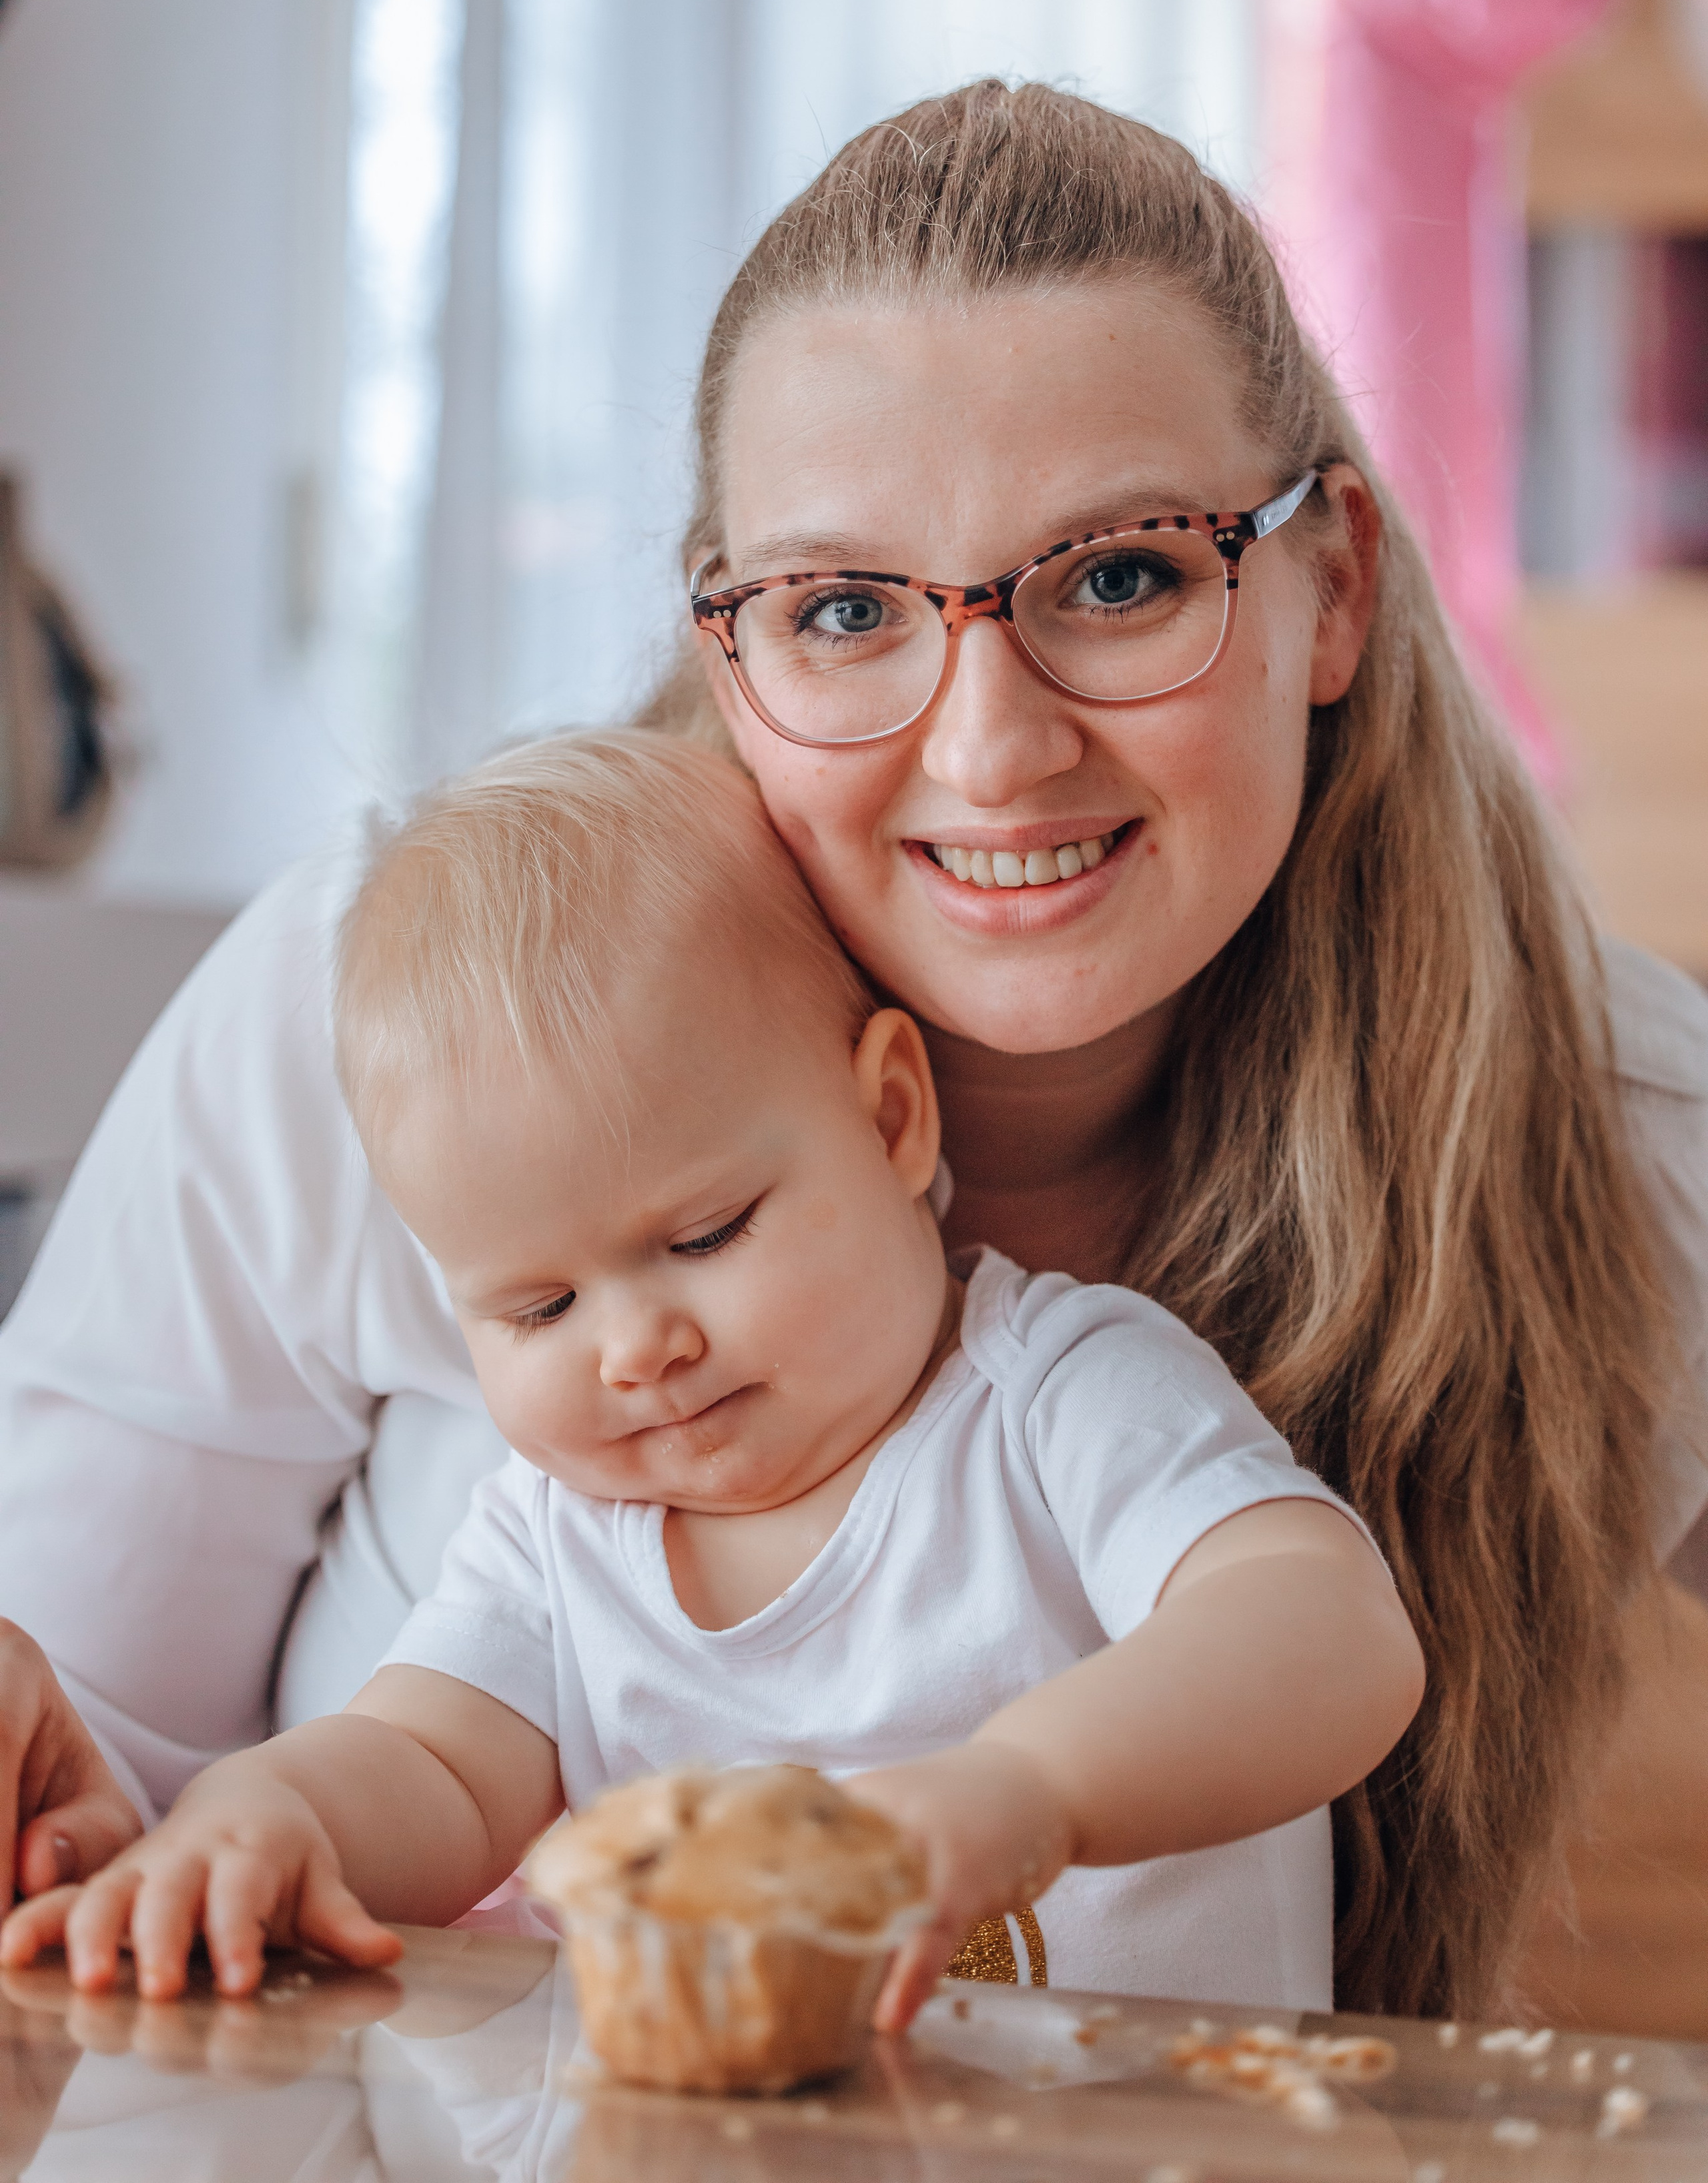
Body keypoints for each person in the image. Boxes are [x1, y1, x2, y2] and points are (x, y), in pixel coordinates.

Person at [0, 83, 1703, 2023]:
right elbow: (140, 1784)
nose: (990, 748)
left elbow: (1306, 1637)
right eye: (841, 607)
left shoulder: (1607, 1130)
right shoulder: (407, 1019)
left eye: (1123, 575)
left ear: (1335, 588)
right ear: (725, 647)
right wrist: (149, 1816)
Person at [1, 731, 1422, 2017]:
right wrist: (272, 1821)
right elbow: (427, 1769)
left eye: (704, 1236)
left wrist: (1030, 1790)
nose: (636, 1350)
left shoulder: (1055, 1401)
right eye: (540, 1307)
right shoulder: (556, 1537)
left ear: (890, 1118)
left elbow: (1327, 1632)